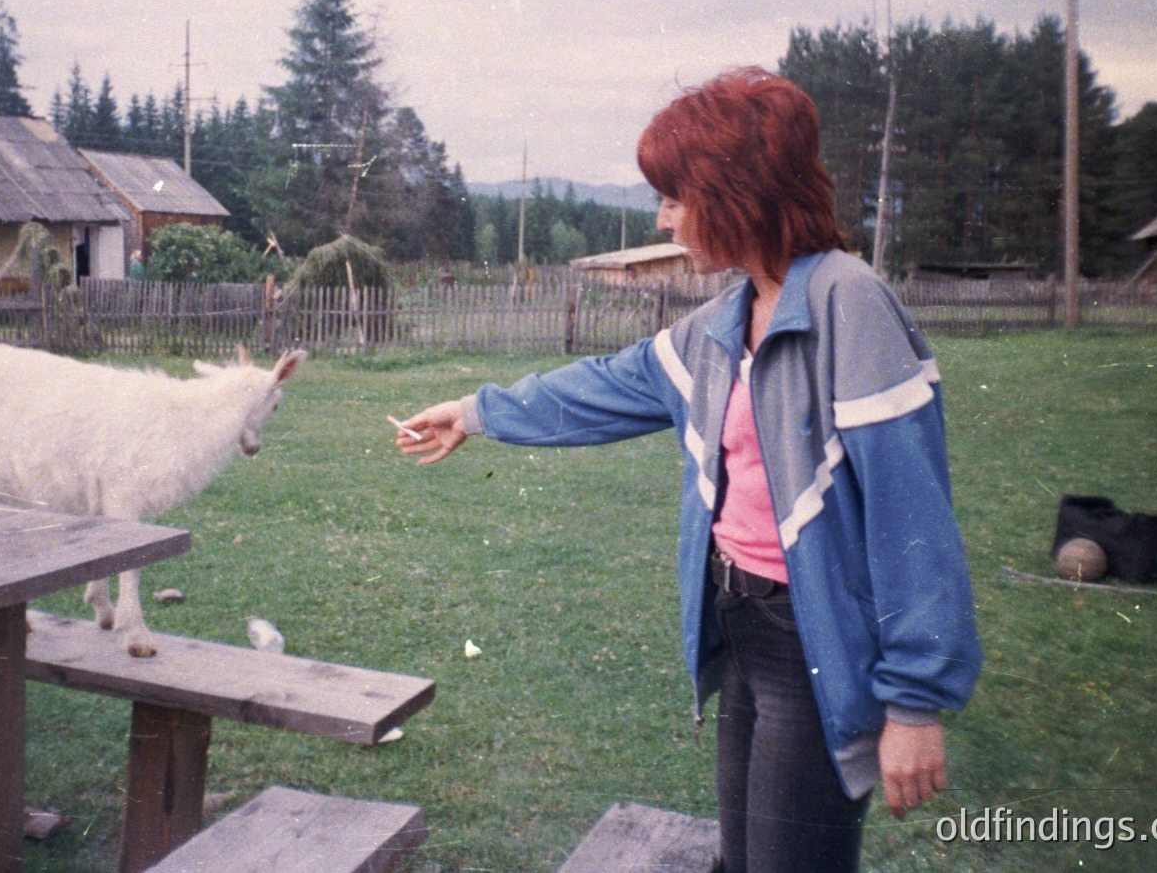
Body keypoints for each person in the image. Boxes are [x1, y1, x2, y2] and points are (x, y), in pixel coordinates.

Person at [395, 66, 981, 873]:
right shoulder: (728, 316)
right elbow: (611, 383)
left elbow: (914, 520)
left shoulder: (851, 303)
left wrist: (915, 704)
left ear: (738, 190)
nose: (664, 217)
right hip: (738, 625)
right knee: (744, 860)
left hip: (812, 642)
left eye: (675, 196)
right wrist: (477, 410)